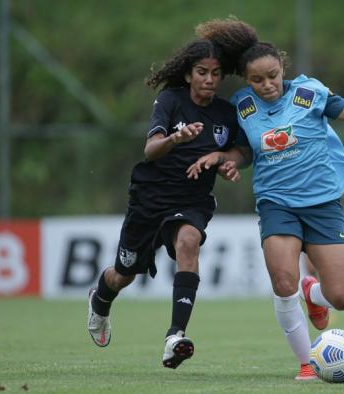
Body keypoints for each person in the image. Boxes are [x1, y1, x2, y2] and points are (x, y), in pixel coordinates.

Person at [187, 18, 344, 381]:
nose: (267, 85)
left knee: (342, 297)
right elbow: (243, 151)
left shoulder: (309, 93)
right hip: (276, 203)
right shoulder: (243, 106)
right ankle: (307, 364)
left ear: (282, 67)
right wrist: (229, 162)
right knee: (283, 283)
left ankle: (313, 295)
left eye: (272, 75)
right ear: (246, 80)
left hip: (322, 203)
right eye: (257, 79)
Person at [86, 37, 242, 370]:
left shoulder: (226, 114)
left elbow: (242, 152)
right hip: (150, 198)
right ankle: (99, 299)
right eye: (202, 72)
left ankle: (175, 336)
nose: (209, 79)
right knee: (122, 275)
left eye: (215, 73)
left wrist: (226, 161)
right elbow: (150, 149)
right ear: (189, 74)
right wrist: (175, 138)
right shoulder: (170, 100)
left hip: (192, 200)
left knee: (189, 240)